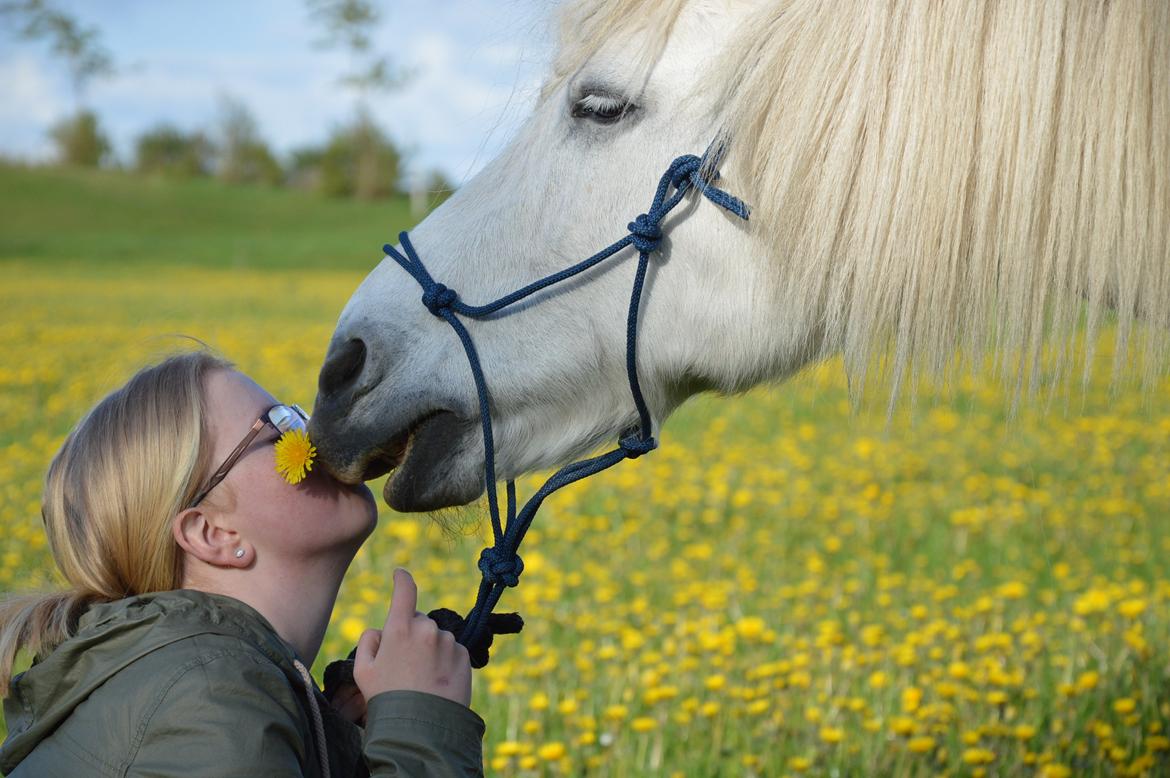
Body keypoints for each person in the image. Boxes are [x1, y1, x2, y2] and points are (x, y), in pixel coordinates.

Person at [0, 351, 483, 776]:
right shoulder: (208, 701)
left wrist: (345, 742)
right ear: (212, 533)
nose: (314, 435)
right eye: (278, 429)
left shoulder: (187, 684)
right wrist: (422, 728)